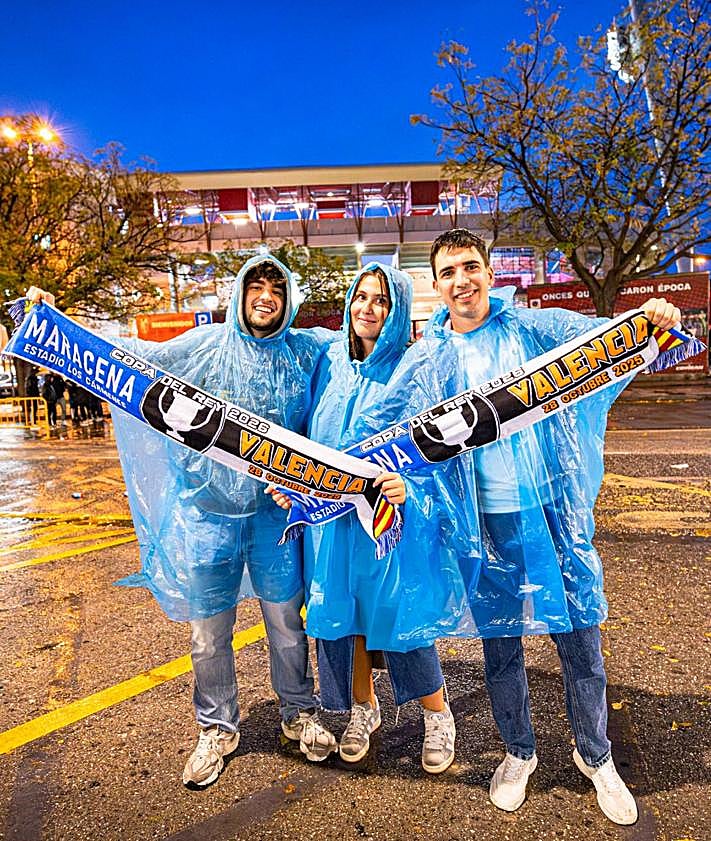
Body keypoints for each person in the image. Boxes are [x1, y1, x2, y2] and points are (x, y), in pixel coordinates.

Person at [356, 229, 681, 825]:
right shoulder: (426, 361)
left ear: (489, 271)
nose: (462, 280)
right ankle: (518, 752)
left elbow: (617, 343)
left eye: (471, 266)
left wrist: (652, 317)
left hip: (551, 514)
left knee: (581, 641)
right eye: (449, 271)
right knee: (501, 647)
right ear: (436, 285)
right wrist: (359, 480)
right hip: (484, 526)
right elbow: (382, 439)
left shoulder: (533, 330)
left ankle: (596, 755)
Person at [26, 254, 338, 788]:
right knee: (208, 634)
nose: (266, 297)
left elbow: (362, 346)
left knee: (287, 625)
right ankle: (217, 727)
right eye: (256, 286)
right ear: (240, 293)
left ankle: (298, 712)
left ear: (289, 301)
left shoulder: (304, 350)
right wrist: (54, 326)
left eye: (277, 289)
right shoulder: (206, 344)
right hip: (209, 515)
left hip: (276, 518)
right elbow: (132, 357)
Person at [269, 263, 458, 773]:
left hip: (385, 521)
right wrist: (291, 484)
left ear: (396, 312)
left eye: (381, 301)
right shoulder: (329, 362)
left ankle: (437, 716)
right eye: (361, 297)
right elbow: (303, 437)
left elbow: (438, 449)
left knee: (397, 617)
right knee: (339, 618)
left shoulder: (412, 370)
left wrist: (410, 487)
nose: (367, 309)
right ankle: (362, 708)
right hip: (330, 525)